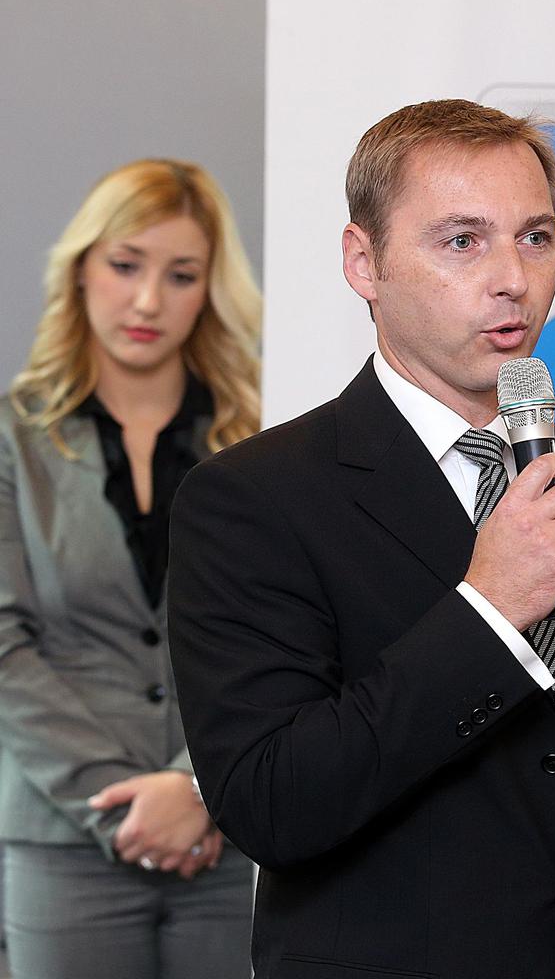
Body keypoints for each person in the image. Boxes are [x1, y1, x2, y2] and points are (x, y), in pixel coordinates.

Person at [166, 99, 555, 979]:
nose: (512, 277)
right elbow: (270, 803)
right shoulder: (251, 499)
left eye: (536, 237)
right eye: (463, 241)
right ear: (364, 262)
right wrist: (489, 610)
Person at [0, 158, 262, 978]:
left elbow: (285, 637)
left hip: (231, 833)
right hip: (60, 841)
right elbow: (4, 646)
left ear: (209, 291)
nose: (148, 301)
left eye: (181, 275)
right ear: (81, 269)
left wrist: (197, 789)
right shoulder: (12, 439)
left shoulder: (260, 442)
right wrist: (119, 806)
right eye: (125, 265)